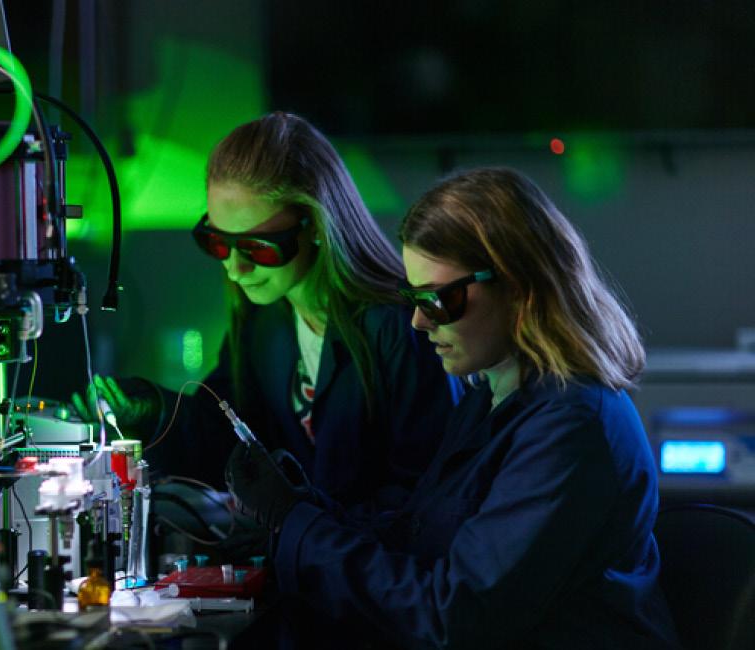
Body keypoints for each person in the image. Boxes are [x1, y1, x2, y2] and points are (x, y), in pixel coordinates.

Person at [226, 167, 681, 647]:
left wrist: (302, 531)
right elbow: (420, 537)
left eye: (440, 301)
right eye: (413, 299)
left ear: (520, 288)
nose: (419, 323)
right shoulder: (491, 397)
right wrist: (302, 510)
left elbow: (455, 614)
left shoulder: (572, 427)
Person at [77, 112, 460, 513]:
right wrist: (153, 413)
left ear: (315, 224)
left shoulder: (400, 327)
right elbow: (228, 435)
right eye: (217, 243)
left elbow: (422, 493)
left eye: (258, 247)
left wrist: (307, 533)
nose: (235, 269)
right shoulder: (264, 322)